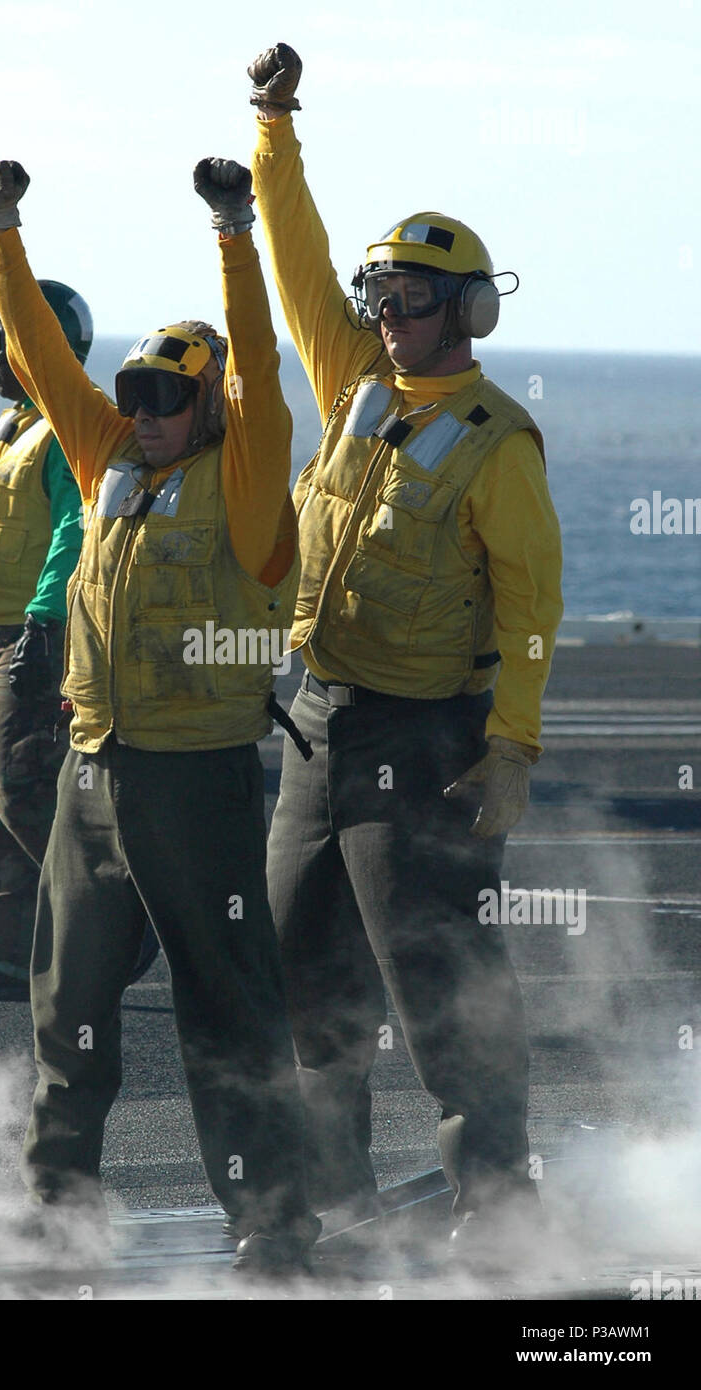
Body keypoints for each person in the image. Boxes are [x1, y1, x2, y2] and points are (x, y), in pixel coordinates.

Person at [246, 43, 564, 1268]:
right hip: (317, 725)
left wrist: (512, 745)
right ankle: (336, 1195)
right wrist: (273, 123)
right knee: (302, 974)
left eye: (413, 299)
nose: (385, 314)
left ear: (469, 312)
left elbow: (533, 600)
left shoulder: (496, 441)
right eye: (380, 295)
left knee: (437, 979)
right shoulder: (354, 386)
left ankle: (497, 1200)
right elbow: (292, 262)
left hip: (424, 737)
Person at [0, 154, 320, 1276]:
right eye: (131, 394)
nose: (141, 413)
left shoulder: (251, 481)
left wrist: (233, 230)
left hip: (197, 780)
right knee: (65, 1007)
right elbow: (35, 352)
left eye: (165, 396)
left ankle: (271, 1219)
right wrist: (2, 231)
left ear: (207, 400)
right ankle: (56, 1204)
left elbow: (260, 366)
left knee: (227, 1012)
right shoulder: (108, 461)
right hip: (93, 777)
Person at [0, 288, 161, 999]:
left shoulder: (68, 431)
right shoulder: (12, 426)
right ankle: (5, 955)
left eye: (9, 340)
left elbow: (75, 531)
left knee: (26, 793)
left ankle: (121, 922)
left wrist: (45, 621)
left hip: (28, 638)